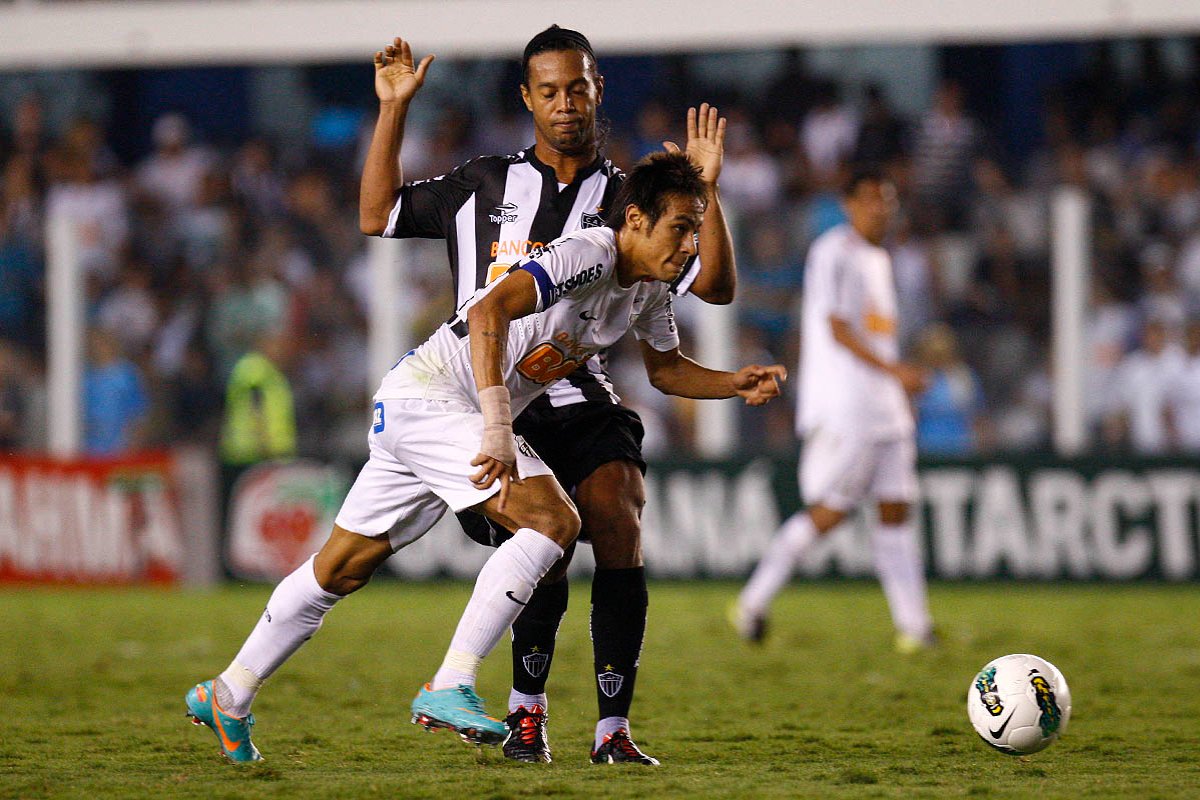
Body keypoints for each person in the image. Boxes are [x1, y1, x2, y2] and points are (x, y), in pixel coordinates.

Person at [184, 151, 786, 764]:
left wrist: (732, 382)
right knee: (553, 520)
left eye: (695, 228)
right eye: (681, 227)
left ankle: (228, 693)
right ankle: (452, 682)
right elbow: (487, 309)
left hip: (420, 410)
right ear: (634, 218)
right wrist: (498, 423)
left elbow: (664, 371)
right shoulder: (590, 253)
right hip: (436, 399)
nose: (690, 245)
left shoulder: (647, 289)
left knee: (341, 567)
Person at [357, 27, 737, 764]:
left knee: (619, 514)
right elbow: (378, 215)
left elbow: (713, 287)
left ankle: (613, 729)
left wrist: (708, 190)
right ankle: (525, 713)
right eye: (551, 90)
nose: (567, 104)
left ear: (599, 91)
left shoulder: (631, 199)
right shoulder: (481, 184)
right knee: (549, 546)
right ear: (528, 97)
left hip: (578, 388)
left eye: (580, 88)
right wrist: (395, 109)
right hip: (490, 390)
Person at [732, 167, 937, 653]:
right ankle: (752, 603)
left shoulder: (880, 258)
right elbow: (838, 329)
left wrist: (894, 381)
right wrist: (898, 373)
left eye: (886, 199)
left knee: (896, 509)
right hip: (847, 405)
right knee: (831, 511)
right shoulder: (833, 251)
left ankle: (915, 626)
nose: (880, 208)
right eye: (870, 198)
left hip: (884, 406)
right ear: (848, 205)